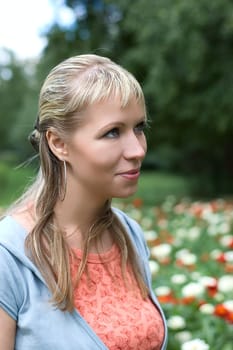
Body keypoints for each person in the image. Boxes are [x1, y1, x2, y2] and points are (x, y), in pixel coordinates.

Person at [0, 54, 167, 349]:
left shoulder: (130, 235)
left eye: (139, 127)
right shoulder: (9, 257)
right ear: (58, 143)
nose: (137, 149)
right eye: (113, 132)